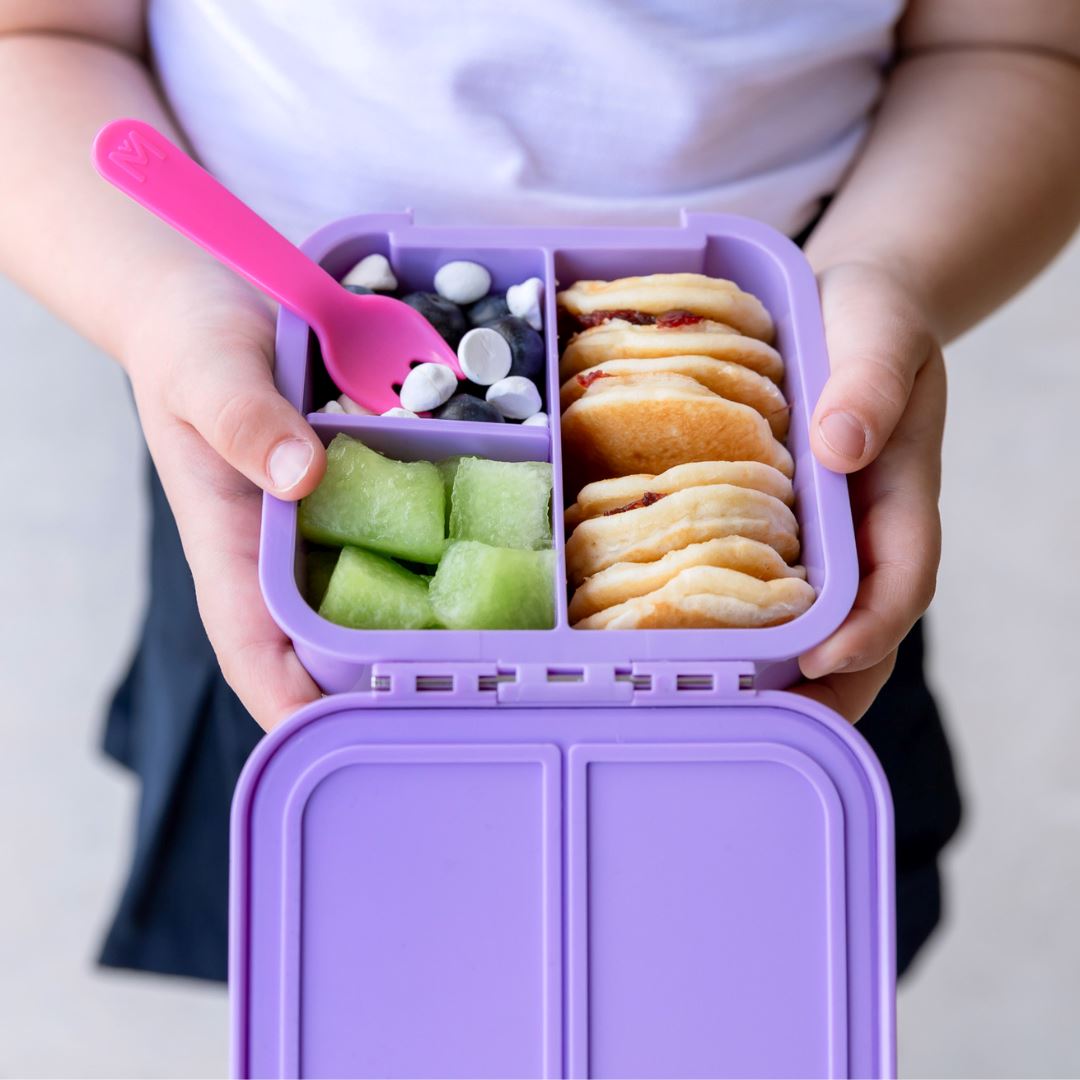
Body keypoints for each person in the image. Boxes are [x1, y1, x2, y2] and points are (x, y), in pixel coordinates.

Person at [0, 0, 1077, 984]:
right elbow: (38, 36)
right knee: (349, 956)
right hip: (256, 372)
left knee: (729, 968)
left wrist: (887, 275)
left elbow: (1017, 42)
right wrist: (165, 312)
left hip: (784, 399)